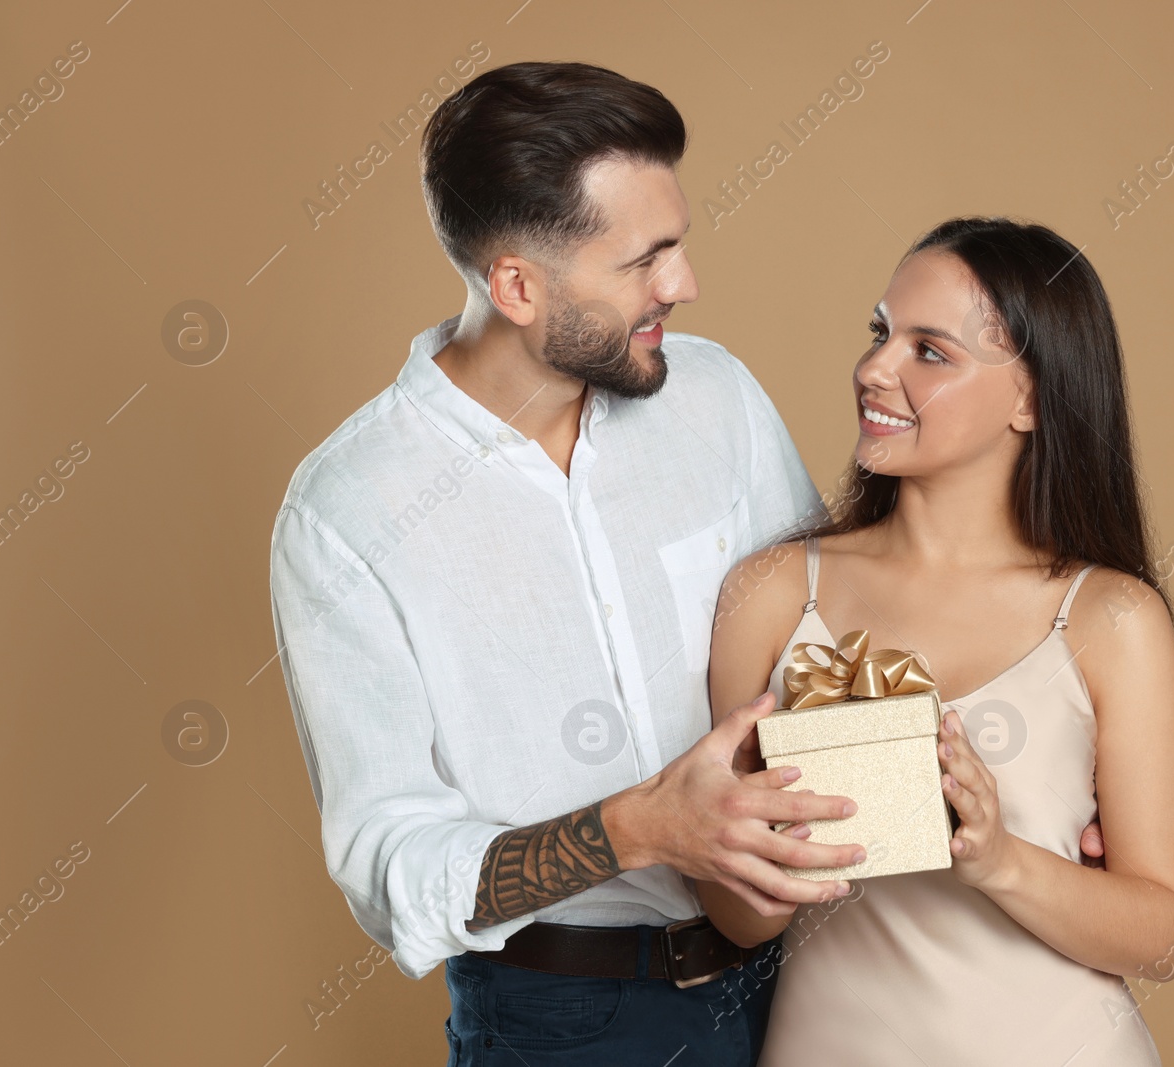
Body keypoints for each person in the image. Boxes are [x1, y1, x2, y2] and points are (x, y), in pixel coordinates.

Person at [269, 60, 1107, 1064]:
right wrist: (638, 828)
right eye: (643, 261)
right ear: (518, 286)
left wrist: (1038, 789)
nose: (684, 284)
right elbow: (391, 869)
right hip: (569, 1022)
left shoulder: (715, 398)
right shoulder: (349, 511)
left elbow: (829, 639)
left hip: (820, 982)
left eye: (679, 245)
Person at [700, 218, 1174, 1065]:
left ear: (1031, 398)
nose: (874, 369)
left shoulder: (1108, 618)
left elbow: (1167, 937)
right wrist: (777, 837)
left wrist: (998, 855)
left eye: (930, 352)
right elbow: (738, 918)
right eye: (880, 334)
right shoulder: (777, 592)